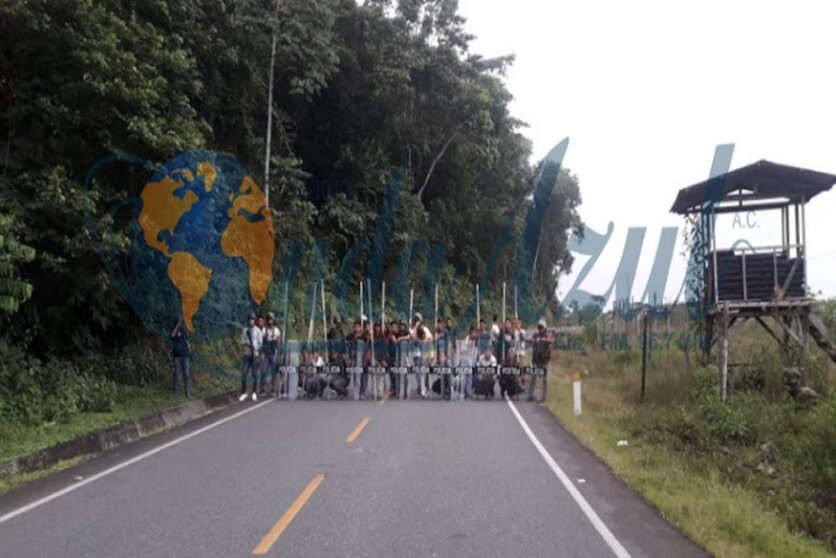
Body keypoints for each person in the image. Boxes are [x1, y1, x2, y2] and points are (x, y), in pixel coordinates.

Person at [239, 312, 263, 401]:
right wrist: (247, 344)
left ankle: (254, 392)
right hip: (247, 354)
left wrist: (255, 348)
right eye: (250, 320)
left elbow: (260, 342)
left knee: (254, 374)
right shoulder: (245, 331)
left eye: (253, 320)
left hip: (255, 355)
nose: (251, 321)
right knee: (244, 373)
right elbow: (242, 342)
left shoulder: (258, 331)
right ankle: (243, 392)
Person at [528, 318, 552, 401]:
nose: (540, 329)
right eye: (539, 327)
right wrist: (535, 340)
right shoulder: (535, 335)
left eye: (542, 327)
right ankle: (530, 395)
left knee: (545, 380)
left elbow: (550, 340)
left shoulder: (547, 335)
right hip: (536, 359)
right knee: (533, 377)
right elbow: (531, 339)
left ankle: (544, 397)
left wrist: (542, 340)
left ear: (544, 328)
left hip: (545, 360)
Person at [170, 317, 191, 398]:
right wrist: (177, 326)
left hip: (185, 355)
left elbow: (188, 340)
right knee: (177, 373)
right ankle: (175, 390)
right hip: (176, 355)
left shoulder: (185, 330)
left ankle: (187, 390)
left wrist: (189, 348)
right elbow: (172, 335)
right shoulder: (174, 329)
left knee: (186, 373)